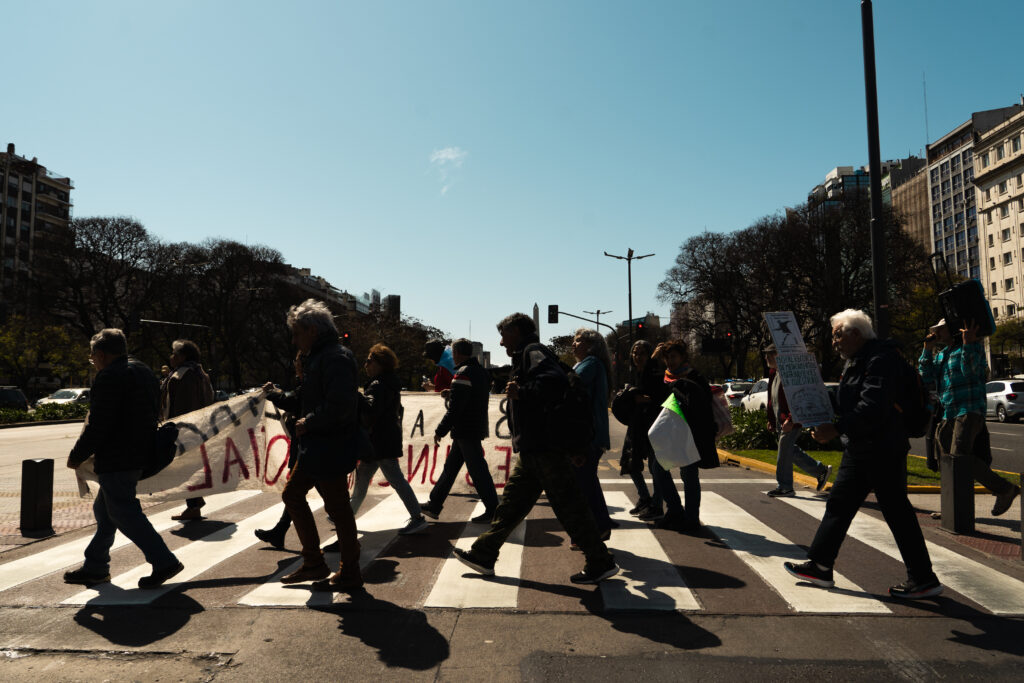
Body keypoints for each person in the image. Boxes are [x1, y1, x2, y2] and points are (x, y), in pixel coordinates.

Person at [784, 309, 942, 600]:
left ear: (856, 333)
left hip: (880, 448)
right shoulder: (861, 360)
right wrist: (801, 413)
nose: (835, 342)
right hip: (868, 446)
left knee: (882, 510)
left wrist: (836, 429)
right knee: (852, 506)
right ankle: (821, 566)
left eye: (838, 335)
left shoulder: (881, 359)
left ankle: (921, 578)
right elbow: (843, 398)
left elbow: (873, 406)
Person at [453, 313, 618, 584]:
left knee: (568, 505)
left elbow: (553, 382)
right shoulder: (527, 353)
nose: (501, 340)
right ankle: (484, 553)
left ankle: (600, 560)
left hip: (545, 445)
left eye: (504, 334)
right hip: (534, 447)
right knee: (511, 505)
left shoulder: (532, 351)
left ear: (517, 331)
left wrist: (522, 391)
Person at [63, 329, 184, 589]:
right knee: (106, 511)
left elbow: (99, 425)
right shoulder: (143, 370)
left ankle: (164, 561)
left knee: (124, 512)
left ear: (102, 354)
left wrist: (76, 456)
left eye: (92, 357)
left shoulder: (109, 376)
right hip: (140, 452)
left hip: (117, 457)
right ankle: (95, 565)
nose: (92, 361)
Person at [264, 299, 363, 590]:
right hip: (320, 447)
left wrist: (310, 421)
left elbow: (341, 404)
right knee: (300, 497)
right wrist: (276, 394)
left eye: (296, 333)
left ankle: (339, 569)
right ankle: (320, 564)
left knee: (334, 508)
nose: (294, 340)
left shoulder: (334, 358)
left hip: (328, 446)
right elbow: (306, 398)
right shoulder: (322, 357)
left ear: (311, 330)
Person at [919, 319, 1020, 515]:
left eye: (941, 329)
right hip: (948, 412)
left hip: (969, 410)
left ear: (953, 330)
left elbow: (971, 372)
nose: (937, 333)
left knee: (959, 458)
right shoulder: (940, 355)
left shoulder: (973, 347)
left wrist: (967, 344)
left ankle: (1004, 489)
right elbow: (927, 379)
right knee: (945, 461)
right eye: (936, 330)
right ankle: (952, 509)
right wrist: (926, 351)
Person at [348, 343, 430, 535]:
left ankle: (417, 517)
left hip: (380, 442)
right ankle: (347, 516)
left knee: (396, 480)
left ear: (380, 363)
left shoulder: (379, 385)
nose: (366, 365)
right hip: (380, 441)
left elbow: (370, 411)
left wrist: (357, 396)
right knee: (362, 482)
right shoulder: (387, 383)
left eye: (369, 361)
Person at [420, 338, 499, 524]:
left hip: (465, 429)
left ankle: (493, 509)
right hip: (474, 427)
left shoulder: (462, 373)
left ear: (456, 353)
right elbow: (472, 396)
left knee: (478, 471)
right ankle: (435, 503)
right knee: (451, 468)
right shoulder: (479, 372)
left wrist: (440, 430)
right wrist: (452, 391)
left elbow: (456, 409)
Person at [651, 340, 717, 533]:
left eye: (673, 357)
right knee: (658, 469)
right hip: (667, 434)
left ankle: (691, 518)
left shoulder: (695, 376)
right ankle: (674, 510)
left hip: (689, 434)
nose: (670, 361)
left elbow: (704, 403)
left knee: (689, 475)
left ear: (682, 357)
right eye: (667, 357)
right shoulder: (663, 377)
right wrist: (654, 358)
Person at [762, 344, 832, 498]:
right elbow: (771, 399)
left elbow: (800, 398)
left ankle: (785, 487)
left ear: (779, 355)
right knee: (789, 451)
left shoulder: (791, 373)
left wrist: (791, 420)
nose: (766, 357)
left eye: (770, 354)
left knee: (784, 451)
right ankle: (820, 471)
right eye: (766, 354)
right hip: (781, 419)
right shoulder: (773, 372)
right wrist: (772, 420)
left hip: (792, 420)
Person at [254, 350, 306, 548]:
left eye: (298, 361)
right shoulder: (306, 383)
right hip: (306, 447)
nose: (295, 364)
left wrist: (273, 393)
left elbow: (292, 401)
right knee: (295, 494)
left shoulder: (310, 382)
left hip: (310, 449)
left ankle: (318, 556)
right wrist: (276, 392)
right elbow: (292, 399)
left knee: (297, 494)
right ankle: (280, 531)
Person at [569, 328, 614, 544]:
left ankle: (599, 527)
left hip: (587, 434)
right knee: (583, 482)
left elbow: (568, 388)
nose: (573, 344)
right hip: (585, 433)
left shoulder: (591, 364)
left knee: (584, 483)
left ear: (591, 345)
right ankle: (593, 528)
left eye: (578, 341)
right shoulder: (585, 364)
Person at [162, 339, 215, 522]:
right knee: (190, 466)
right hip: (200, 428)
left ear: (182, 356)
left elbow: (181, 406)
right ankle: (194, 504)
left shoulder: (183, 376)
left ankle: (194, 504)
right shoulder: (200, 373)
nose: (171, 357)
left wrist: (174, 429)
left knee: (183, 467)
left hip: (184, 429)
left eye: (174, 354)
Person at [614, 340, 663, 517]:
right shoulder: (634, 372)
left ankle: (657, 505)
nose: (637, 356)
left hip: (652, 423)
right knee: (630, 463)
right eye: (635, 353)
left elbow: (658, 396)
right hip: (637, 423)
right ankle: (644, 498)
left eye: (642, 353)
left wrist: (644, 398)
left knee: (655, 467)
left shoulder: (655, 372)